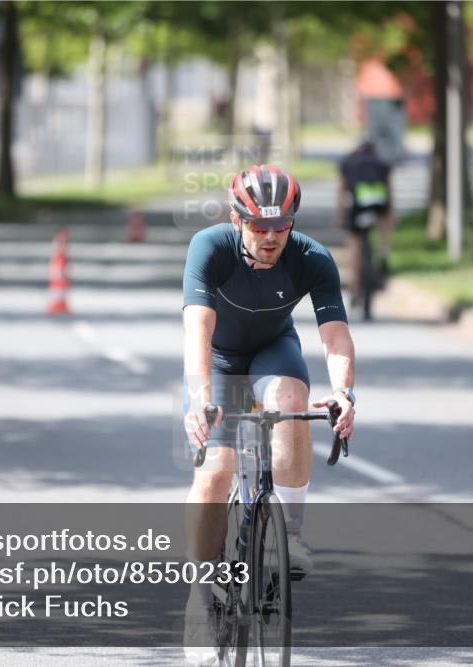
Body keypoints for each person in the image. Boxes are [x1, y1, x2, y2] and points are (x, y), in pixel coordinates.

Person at [181, 164, 356, 665]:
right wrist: (200, 397)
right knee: (215, 473)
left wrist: (343, 392)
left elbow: (335, 335)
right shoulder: (209, 248)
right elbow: (198, 329)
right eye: (260, 225)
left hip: (273, 350)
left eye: (281, 225)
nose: (271, 236)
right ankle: (200, 596)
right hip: (219, 359)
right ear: (237, 219)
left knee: (292, 404)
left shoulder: (311, 257)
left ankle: (290, 533)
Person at [336, 140, 394, 320]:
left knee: (353, 241)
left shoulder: (348, 163)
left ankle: (353, 281)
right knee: (383, 227)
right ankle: (384, 250)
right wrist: (390, 217)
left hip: (357, 208)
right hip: (378, 206)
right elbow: (389, 191)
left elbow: (342, 191)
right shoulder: (382, 164)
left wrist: (340, 216)